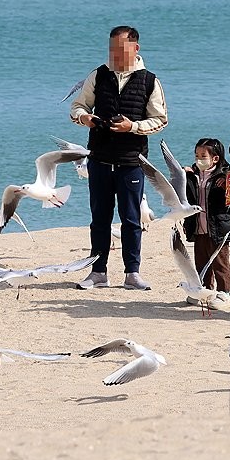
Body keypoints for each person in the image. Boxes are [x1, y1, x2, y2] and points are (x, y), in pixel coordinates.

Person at [69, 25, 168, 290]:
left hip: (132, 161)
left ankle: (132, 273)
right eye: (111, 48)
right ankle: (98, 271)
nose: (114, 54)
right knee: (99, 218)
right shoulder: (99, 75)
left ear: (135, 48)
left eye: (119, 49)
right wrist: (84, 118)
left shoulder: (150, 80)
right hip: (99, 158)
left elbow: (160, 120)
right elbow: (77, 106)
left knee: (131, 219)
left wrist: (132, 127)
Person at [182, 138, 230, 307]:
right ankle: (204, 290)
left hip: (218, 227)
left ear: (215, 158)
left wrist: (227, 180)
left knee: (220, 261)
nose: (199, 159)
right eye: (196, 155)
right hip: (199, 226)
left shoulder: (224, 175)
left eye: (203, 155)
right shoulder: (194, 174)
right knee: (201, 260)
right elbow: (184, 196)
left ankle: (226, 293)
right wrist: (185, 176)